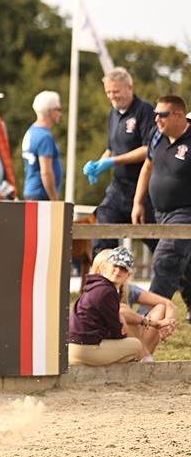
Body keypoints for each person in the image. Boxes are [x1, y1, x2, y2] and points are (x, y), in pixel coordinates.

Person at [83, 67, 157, 255]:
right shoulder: (113, 114)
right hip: (118, 189)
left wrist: (113, 162)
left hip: (144, 190)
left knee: (159, 243)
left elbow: (149, 149)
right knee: (102, 232)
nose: (112, 96)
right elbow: (111, 148)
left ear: (129, 88)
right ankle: (104, 283)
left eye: (115, 91)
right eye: (108, 92)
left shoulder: (145, 111)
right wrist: (99, 164)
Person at [132, 94, 191, 315]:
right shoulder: (157, 135)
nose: (156, 119)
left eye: (162, 115)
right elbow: (147, 167)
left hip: (185, 213)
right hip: (159, 213)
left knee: (165, 262)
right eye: (155, 114)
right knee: (184, 264)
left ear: (178, 114)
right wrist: (138, 202)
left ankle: (143, 320)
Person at [68, 247, 152, 365]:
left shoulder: (94, 287)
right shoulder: (107, 291)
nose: (118, 271)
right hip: (85, 350)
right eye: (115, 266)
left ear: (128, 274)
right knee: (136, 345)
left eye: (123, 268)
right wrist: (122, 328)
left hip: (72, 348)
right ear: (104, 268)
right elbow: (116, 332)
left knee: (123, 348)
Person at [121, 274, 178, 358]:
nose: (118, 271)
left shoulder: (128, 288)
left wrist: (167, 323)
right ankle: (144, 359)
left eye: (123, 269)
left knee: (161, 309)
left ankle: (144, 360)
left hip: (133, 338)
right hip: (113, 339)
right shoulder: (99, 289)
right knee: (125, 316)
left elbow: (168, 304)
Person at [21, 91, 63, 201]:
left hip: (31, 191)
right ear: (50, 112)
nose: (60, 113)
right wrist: (54, 199)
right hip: (41, 194)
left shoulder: (31, 132)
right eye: (58, 109)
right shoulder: (45, 137)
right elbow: (46, 172)